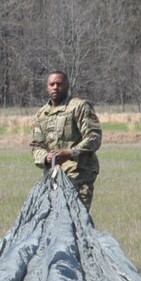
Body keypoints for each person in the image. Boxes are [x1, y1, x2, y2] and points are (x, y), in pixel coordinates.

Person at [30, 69, 101, 211]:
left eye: (59, 84)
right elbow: (36, 146)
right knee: (55, 221)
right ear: (47, 87)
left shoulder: (79, 107)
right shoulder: (41, 114)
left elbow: (94, 137)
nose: (55, 87)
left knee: (77, 219)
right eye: (52, 84)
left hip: (79, 174)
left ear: (67, 86)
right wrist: (46, 157)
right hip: (54, 177)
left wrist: (69, 153)